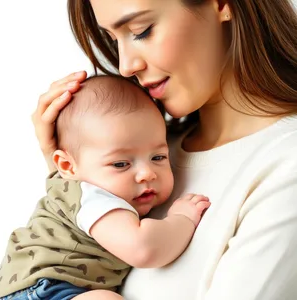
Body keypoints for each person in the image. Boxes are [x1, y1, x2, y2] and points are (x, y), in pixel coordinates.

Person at [31, 0, 297, 299]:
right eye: (112, 39)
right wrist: (66, 170)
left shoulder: (285, 166)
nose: (125, 65)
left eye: (141, 30)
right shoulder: (137, 157)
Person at [0, 75, 210, 299]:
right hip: (43, 289)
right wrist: (181, 219)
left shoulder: (79, 183)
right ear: (68, 166)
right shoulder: (92, 197)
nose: (147, 173)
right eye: (120, 164)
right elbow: (143, 248)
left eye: (158, 157)